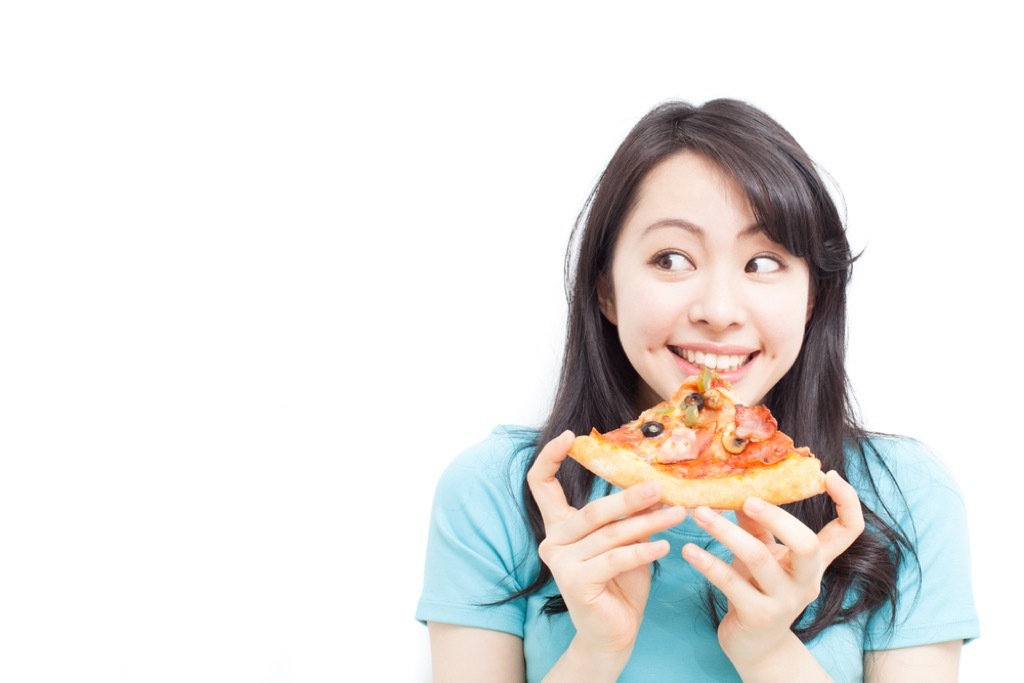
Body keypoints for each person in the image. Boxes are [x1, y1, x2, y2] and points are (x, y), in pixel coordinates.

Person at [416, 99, 978, 681]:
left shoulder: (904, 495)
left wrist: (767, 652)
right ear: (606, 288)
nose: (718, 310)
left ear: (812, 298)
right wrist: (594, 653)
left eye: (763, 263)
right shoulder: (496, 490)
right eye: (672, 258)